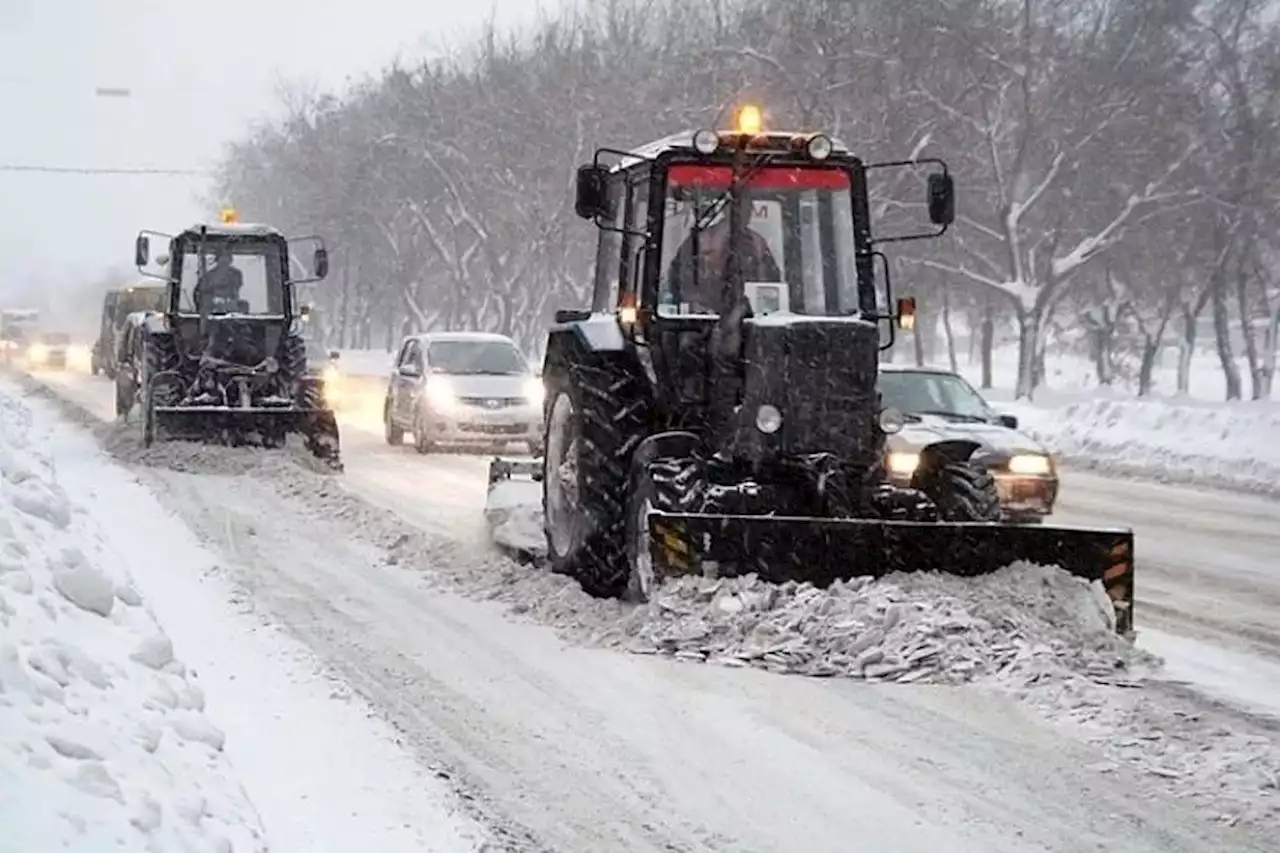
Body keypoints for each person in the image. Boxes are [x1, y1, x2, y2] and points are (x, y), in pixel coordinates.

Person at [664, 193, 782, 313]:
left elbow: (771, 283)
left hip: (750, 317)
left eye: (748, 207)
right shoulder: (702, 240)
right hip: (706, 319)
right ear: (726, 211)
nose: (745, 212)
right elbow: (680, 281)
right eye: (738, 208)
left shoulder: (758, 243)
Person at [193, 246, 244, 313]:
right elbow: (199, 295)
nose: (225, 260)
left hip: (231, 312)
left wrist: (229, 302)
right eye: (222, 257)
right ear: (217, 259)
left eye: (227, 257)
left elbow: (235, 290)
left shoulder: (236, 274)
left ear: (231, 259)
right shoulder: (208, 276)